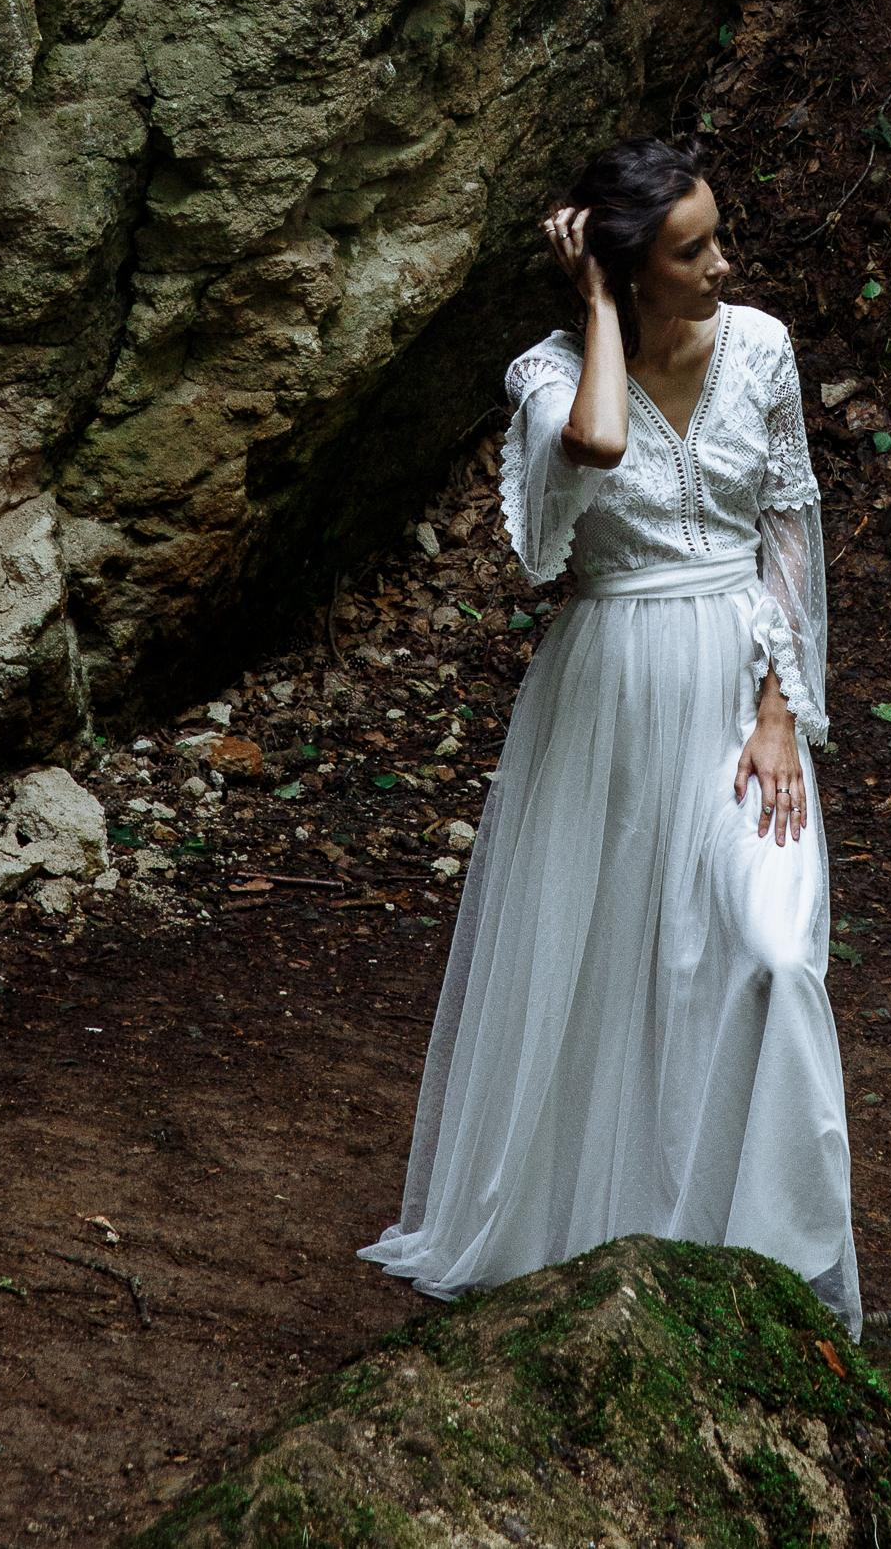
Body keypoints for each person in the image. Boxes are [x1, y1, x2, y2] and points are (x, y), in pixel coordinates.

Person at [358, 135, 859, 1333]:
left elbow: (789, 532)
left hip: (740, 703)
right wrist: (592, 308)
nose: (723, 264)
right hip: (610, 699)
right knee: (616, 963)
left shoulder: (764, 349)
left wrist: (784, 708)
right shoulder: (547, 378)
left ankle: (774, 1264)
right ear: (631, 269)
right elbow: (596, 444)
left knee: (772, 949)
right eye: (693, 251)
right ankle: (609, 1222)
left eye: (716, 236)